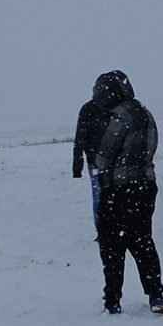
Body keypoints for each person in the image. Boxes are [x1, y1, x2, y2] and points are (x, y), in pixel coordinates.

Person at [88, 71, 163, 315]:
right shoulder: (145, 112)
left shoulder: (120, 116)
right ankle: (156, 294)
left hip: (118, 188)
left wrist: (97, 161)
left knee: (112, 245)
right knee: (143, 240)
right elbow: (152, 147)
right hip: (146, 185)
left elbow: (105, 156)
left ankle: (112, 299)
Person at [71, 75, 113, 234]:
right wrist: (77, 166)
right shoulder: (94, 109)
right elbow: (79, 138)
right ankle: (104, 229)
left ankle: (103, 229)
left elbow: (79, 139)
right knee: (103, 195)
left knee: (100, 195)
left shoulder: (89, 109)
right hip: (100, 161)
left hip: (97, 161)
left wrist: (77, 165)